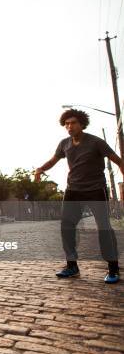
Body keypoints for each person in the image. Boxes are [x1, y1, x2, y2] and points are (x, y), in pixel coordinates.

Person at [34, 109, 120, 284]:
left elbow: (118, 161)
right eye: (66, 124)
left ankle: (113, 268)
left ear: (82, 124)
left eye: (73, 123)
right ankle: (72, 266)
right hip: (73, 190)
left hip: (96, 190)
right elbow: (52, 160)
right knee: (67, 227)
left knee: (104, 227)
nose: (69, 126)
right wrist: (40, 169)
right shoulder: (64, 143)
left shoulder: (96, 142)